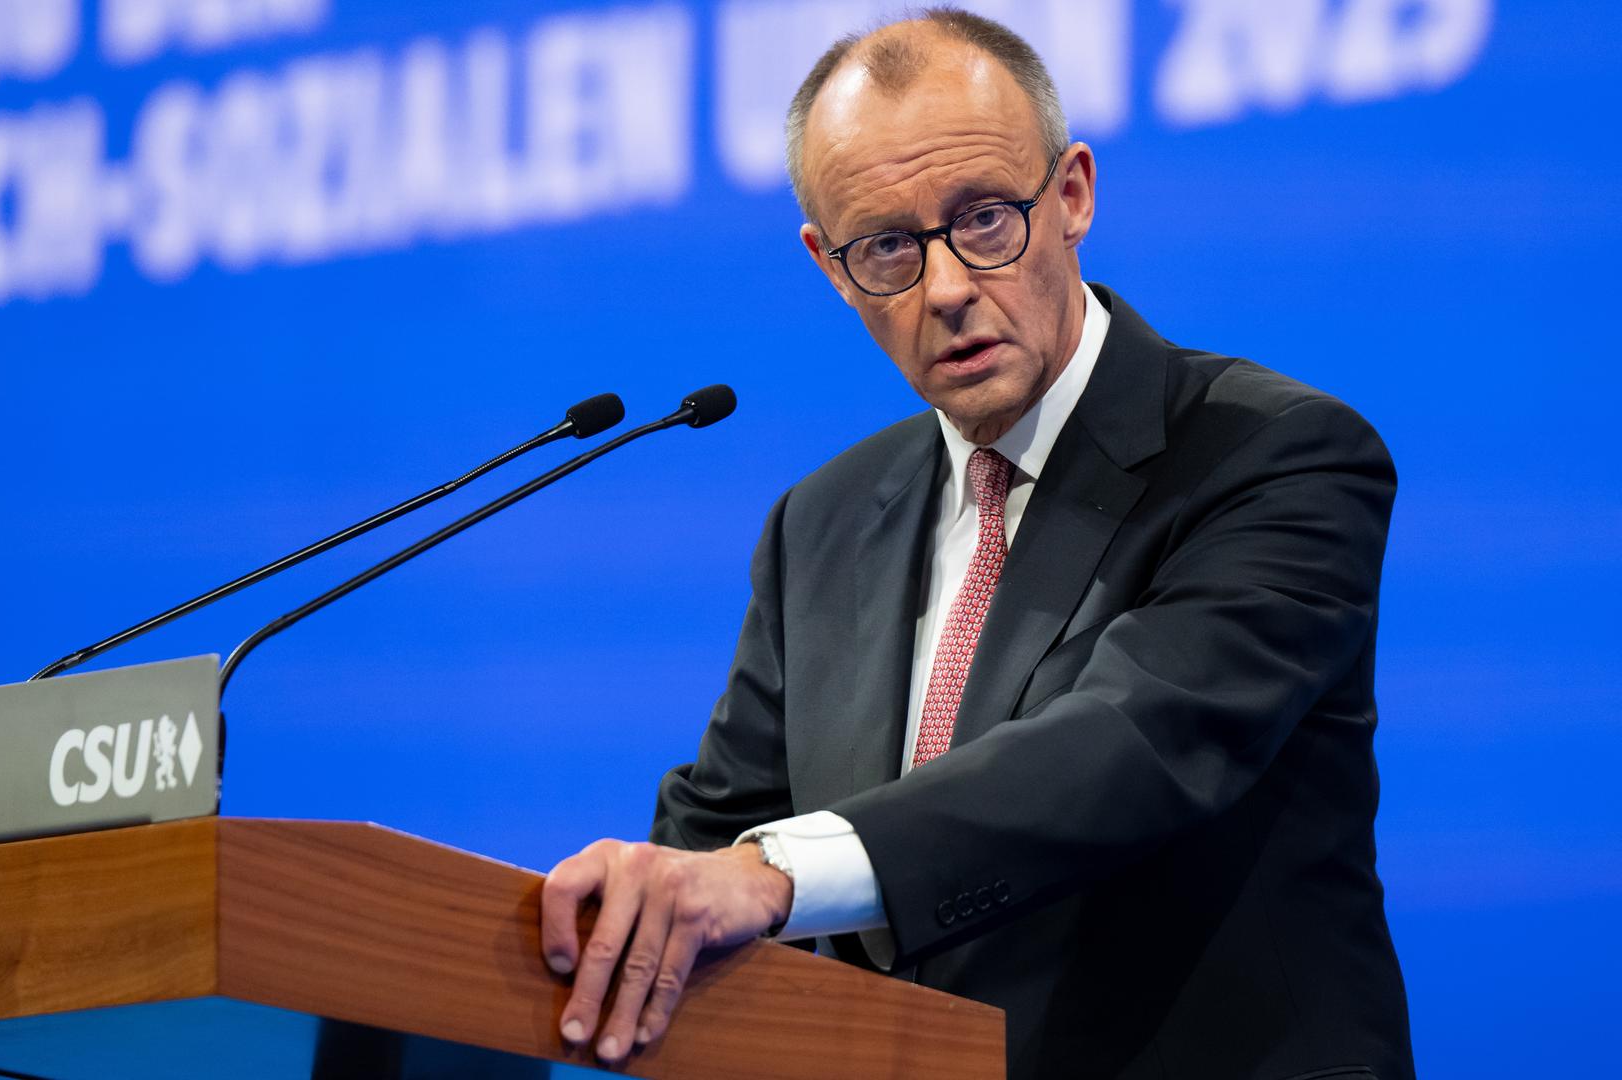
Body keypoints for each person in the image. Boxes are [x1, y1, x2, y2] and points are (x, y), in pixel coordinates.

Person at [538, 9, 1414, 1079]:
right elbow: (719, 830)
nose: (947, 288)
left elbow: (1134, 745)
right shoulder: (822, 521)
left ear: (1074, 195)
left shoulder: (1275, 454)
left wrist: (771, 873)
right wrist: (614, 912)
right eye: (888, 249)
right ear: (829, 266)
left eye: (985, 220)